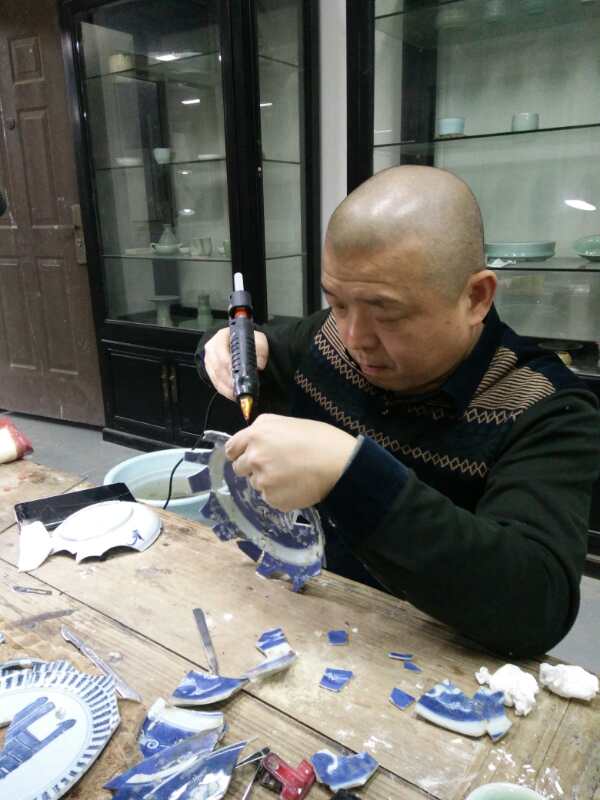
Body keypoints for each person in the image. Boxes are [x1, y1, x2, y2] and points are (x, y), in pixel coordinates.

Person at [197, 165, 600, 658]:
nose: (354, 338)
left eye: (386, 312)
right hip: (316, 620)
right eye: (337, 303)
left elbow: (536, 606)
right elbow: (256, 348)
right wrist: (222, 346)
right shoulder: (329, 338)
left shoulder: (546, 409)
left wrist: (351, 476)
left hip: (434, 660)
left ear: (476, 297)